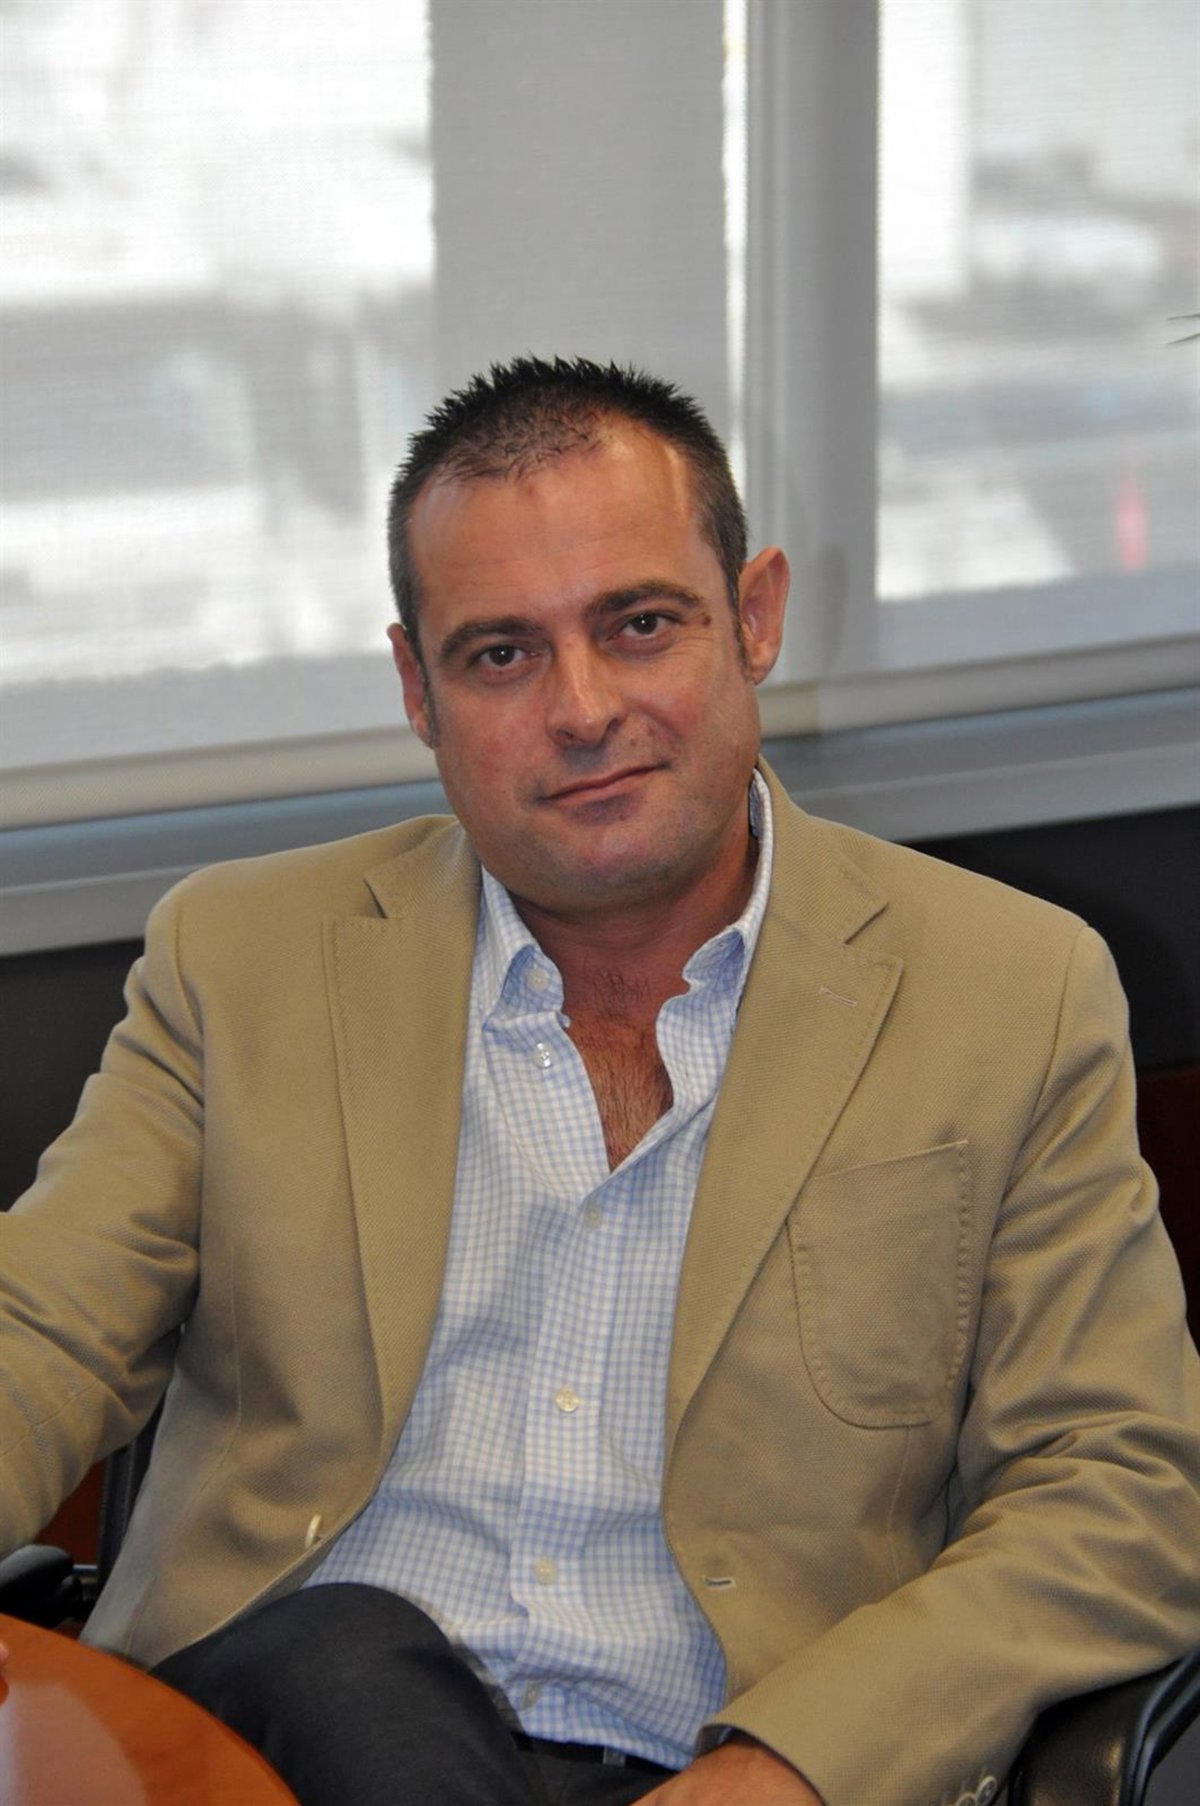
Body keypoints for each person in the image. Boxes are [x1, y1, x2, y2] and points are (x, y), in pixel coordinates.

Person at [1, 356, 1198, 1806]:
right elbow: (37, 1329)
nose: (582, 709)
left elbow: (1123, 1482)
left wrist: (793, 1764)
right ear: (418, 689)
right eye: (502, 654)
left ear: (754, 617)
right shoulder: (243, 958)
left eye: (639, 625)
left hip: (719, 1765)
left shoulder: (1010, 990)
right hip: (282, 1752)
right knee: (343, 1658)